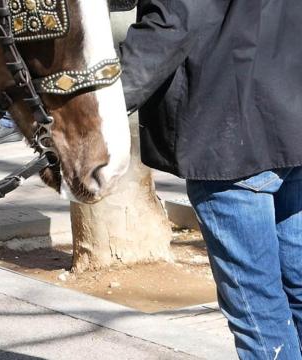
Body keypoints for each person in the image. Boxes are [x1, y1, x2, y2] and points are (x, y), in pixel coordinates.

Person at [119, 1, 302, 359]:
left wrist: (93, 108)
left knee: (259, 312)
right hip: (289, 118)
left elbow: (174, 21)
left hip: (225, 132)